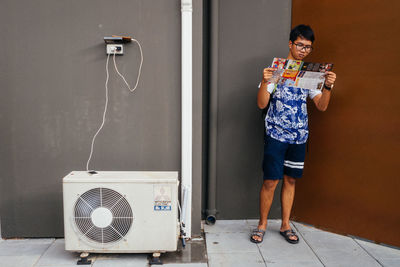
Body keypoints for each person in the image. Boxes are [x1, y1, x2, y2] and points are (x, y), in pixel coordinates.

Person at [250, 24, 337, 244]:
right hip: (276, 134)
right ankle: (262, 225)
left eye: (308, 47)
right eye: (299, 45)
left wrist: (327, 87)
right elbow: (261, 103)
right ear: (290, 44)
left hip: (299, 136)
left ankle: (285, 225)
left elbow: (322, 106)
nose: (303, 50)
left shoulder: (311, 74)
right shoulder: (276, 69)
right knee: (271, 180)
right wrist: (266, 81)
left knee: (291, 180)